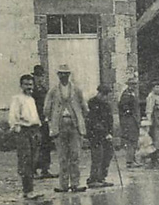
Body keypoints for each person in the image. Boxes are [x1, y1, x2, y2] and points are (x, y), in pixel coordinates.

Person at [43, 64, 87, 193]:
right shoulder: (53, 91)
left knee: (75, 155)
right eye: (61, 73)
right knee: (62, 156)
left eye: (66, 73)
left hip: (74, 125)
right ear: (58, 75)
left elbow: (84, 107)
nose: (64, 76)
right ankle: (63, 185)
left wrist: (79, 119)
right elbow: (46, 109)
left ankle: (75, 184)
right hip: (60, 124)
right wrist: (53, 120)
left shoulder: (76, 90)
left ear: (69, 75)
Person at [8, 74, 43, 199]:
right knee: (25, 160)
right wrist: (17, 130)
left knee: (34, 160)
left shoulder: (31, 99)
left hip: (34, 131)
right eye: (26, 84)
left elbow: (34, 116)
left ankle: (29, 189)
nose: (29, 87)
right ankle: (28, 190)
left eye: (31, 84)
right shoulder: (17, 98)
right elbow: (13, 116)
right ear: (21, 85)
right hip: (24, 131)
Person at [86, 84, 115, 188]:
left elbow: (110, 120)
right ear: (99, 93)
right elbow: (94, 121)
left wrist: (110, 133)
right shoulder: (92, 103)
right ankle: (93, 179)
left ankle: (101, 177)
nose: (105, 97)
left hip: (106, 135)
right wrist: (105, 133)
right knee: (97, 156)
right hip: (95, 135)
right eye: (103, 94)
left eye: (106, 95)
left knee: (108, 155)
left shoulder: (106, 105)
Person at [31, 64, 56, 179]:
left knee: (46, 145)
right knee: (36, 145)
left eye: (41, 76)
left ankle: (45, 169)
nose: (40, 79)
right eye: (37, 76)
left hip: (45, 121)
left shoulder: (45, 89)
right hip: (35, 121)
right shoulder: (32, 90)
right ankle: (33, 170)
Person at [118, 78, 142, 168]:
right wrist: (128, 113)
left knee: (134, 140)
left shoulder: (133, 94)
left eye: (135, 84)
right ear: (128, 85)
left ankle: (133, 159)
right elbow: (123, 106)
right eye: (132, 84)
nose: (134, 86)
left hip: (134, 119)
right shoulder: (126, 94)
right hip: (130, 120)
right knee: (131, 140)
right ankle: (129, 161)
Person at [145, 81, 159, 166]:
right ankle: (156, 155)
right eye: (156, 87)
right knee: (156, 136)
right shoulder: (151, 96)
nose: (158, 89)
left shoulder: (157, 96)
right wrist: (149, 119)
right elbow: (149, 109)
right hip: (156, 116)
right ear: (152, 88)